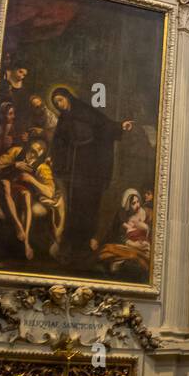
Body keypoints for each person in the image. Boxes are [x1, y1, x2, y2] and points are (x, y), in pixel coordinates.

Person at [49, 85, 133, 257]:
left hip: (91, 162)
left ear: (67, 97)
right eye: (56, 103)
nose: (59, 104)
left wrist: (120, 126)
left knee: (90, 201)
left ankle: (87, 241)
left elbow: (103, 124)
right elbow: (59, 142)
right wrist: (55, 157)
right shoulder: (63, 120)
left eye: (60, 100)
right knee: (75, 203)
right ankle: (73, 242)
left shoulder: (84, 110)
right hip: (74, 166)